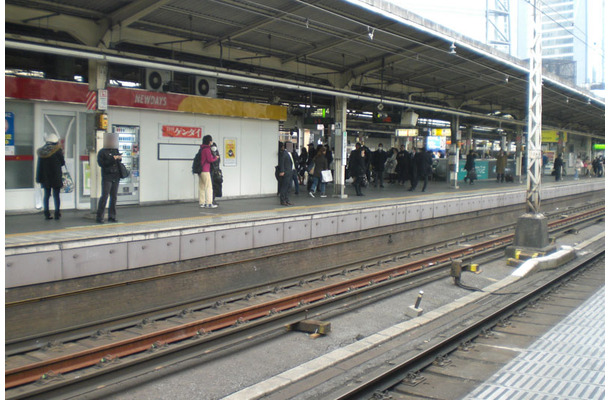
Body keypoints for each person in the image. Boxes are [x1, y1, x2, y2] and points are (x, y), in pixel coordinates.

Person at [36, 133, 65, 220]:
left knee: (46, 195)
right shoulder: (57, 151)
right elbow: (62, 163)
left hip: (45, 177)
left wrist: (39, 177)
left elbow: (39, 166)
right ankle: (57, 213)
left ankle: (47, 213)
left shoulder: (42, 151)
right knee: (56, 195)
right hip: (55, 176)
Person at [96, 132, 122, 222]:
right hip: (107, 177)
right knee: (104, 196)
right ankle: (100, 216)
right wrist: (113, 159)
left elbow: (119, 161)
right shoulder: (102, 152)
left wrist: (119, 158)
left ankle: (112, 216)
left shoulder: (115, 150)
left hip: (116, 176)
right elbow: (101, 164)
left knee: (114, 197)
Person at [198, 135, 219, 208]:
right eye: (211, 140)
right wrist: (215, 158)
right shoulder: (207, 149)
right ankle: (209, 203)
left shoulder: (201, 148)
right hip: (205, 170)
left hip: (200, 170)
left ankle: (202, 203)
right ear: (209, 141)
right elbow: (209, 159)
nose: (212, 142)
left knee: (201, 187)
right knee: (209, 187)